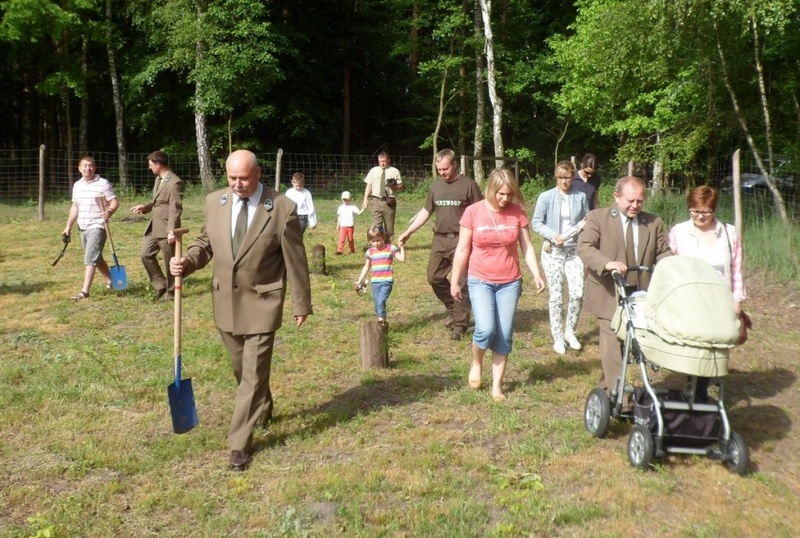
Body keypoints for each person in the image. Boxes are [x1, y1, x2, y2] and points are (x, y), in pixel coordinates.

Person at [169, 150, 312, 472]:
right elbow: (205, 244)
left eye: (244, 178)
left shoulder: (281, 209)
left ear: (258, 174)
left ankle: (238, 445)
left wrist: (301, 303)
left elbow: (296, 261)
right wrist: (187, 262)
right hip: (225, 303)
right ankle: (262, 406)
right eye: (232, 178)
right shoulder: (214, 202)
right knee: (243, 371)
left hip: (263, 302)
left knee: (252, 373)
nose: (237, 184)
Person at [450, 169, 545, 401]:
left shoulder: (517, 213)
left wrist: (536, 273)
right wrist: (455, 280)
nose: (505, 199)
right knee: (485, 328)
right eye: (501, 194)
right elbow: (463, 249)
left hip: (509, 282)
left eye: (509, 195)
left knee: (504, 335)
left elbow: (527, 247)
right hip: (480, 279)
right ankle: (476, 362)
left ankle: (497, 386)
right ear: (491, 189)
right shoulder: (473, 212)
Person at [577, 176, 672, 399]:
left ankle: (604, 389)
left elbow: (663, 252)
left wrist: (673, 268)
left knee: (625, 343)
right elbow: (584, 247)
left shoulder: (654, 222)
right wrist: (607, 263)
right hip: (608, 291)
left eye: (640, 201)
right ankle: (621, 396)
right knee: (611, 337)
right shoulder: (598, 218)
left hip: (639, 293)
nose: (635, 206)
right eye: (630, 200)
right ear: (616, 197)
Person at [668, 185, 748, 400]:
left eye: (705, 211)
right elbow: (669, 266)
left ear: (714, 210)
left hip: (718, 299)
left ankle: (700, 389)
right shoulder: (678, 232)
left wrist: (737, 301)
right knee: (693, 343)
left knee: (712, 344)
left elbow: (736, 269)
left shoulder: (729, 234)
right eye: (695, 211)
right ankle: (693, 383)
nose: (700, 216)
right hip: (689, 298)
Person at [398, 148, 483, 340]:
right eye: (439, 169)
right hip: (439, 239)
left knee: (460, 281)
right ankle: (453, 308)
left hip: (462, 239)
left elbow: (480, 212)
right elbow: (426, 211)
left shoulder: (469, 185)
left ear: (454, 165)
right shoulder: (436, 186)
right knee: (433, 276)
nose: (442, 172)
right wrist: (409, 231)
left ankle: (460, 325)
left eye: (445, 168)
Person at [532, 160, 590, 354]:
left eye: (568, 177)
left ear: (573, 177)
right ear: (556, 177)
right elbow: (536, 222)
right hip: (553, 252)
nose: (564, 181)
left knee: (577, 293)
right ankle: (557, 336)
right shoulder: (546, 197)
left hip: (574, 253)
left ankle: (570, 331)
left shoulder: (581, 197)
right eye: (561, 177)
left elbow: (586, 220)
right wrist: (551, 236)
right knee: (556, 297)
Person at [62, 156, 119, 301]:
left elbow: (114, 202)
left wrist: (109, 211)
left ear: (95, 167)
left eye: (91, 165)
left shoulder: (103, 184)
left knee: (90, 259)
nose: (88, 168)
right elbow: (75, 207)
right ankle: (112, 281)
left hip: (98, 225)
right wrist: (68, 226)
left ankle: (84, 291)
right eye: (85, 166)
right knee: (96, 258)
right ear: (79, 168)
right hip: (83, 226)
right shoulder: (77, 185)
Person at [129, 150, 184, 300]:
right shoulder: (159, 179)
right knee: (145, 254)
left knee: (170, 260)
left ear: (158, 165)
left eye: (151, 165)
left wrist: (172, 230)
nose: (149, 168)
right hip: (154, 226)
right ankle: (160, 285)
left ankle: (172, 292)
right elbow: (158, 202)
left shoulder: (175, 182)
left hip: (167, 228)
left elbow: (175, 208)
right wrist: (145, 207)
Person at [354, 225, 406, 321]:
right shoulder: (370, 252)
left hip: (386, 281)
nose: (376, 243)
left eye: (378, 240)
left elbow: (402, 259)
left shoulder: (390, 248)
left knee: (381, 302)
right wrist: (359, 281)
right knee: (377, 304)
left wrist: (402, 247)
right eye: (373, 241)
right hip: (375, 282)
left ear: (383, 237)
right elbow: (366, 267)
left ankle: (381, 323)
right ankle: (382, 322)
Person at [361, 151, 403, 241]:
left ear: (389, 160)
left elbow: (400, 186)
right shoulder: (374, 171)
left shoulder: (394, 171)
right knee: (377, 226)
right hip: (376, 201)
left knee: (389, 226)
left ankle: (388, 245)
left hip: (389, 201)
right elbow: (369, 185)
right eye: (380, 161)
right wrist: (365, 199)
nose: (382, 163)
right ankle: (377, 244)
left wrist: (394, 186)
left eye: (384, 161)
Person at [336, 190, 364, 255]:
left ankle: (352, 250)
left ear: (350, 199)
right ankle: (340, 250)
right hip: (342, 226)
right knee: (341, 239)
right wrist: (337, 225)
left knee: (350, 239)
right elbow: (339, 217)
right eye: (344, 200)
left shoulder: (353, 207)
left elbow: (359, 213)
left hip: (350, 226)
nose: (345, 201)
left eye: (347, 200)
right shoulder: (340, 207)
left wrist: (363, 209)